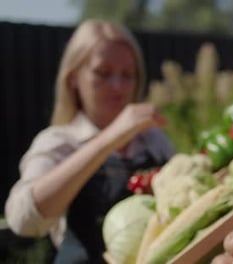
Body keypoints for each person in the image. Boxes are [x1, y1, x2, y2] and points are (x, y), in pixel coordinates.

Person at [4, 19, 175, 263]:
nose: (117, 86)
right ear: (73, 78)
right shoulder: (58, 141)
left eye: (128, 75)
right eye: (103, 73)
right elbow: (23, 221)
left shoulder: (153, 140)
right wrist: (111, 137)